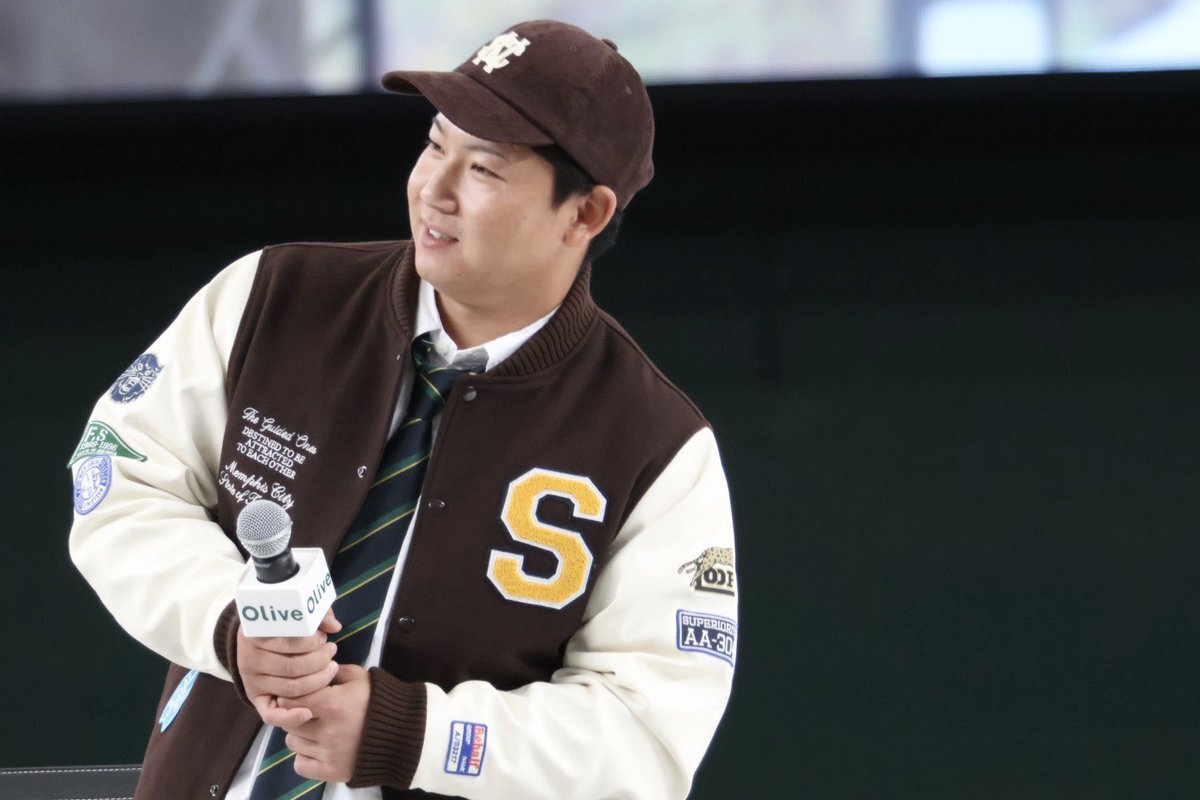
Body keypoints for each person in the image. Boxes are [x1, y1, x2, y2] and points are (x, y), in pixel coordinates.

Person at [69, 19, 737, 800]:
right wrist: (228, 619)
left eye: (483, 169)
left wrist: (414, 735)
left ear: (585, 214)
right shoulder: (271, 295)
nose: (433, 190)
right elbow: (117, 480)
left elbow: (647, 742)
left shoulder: (659, 444)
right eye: (433, 145)